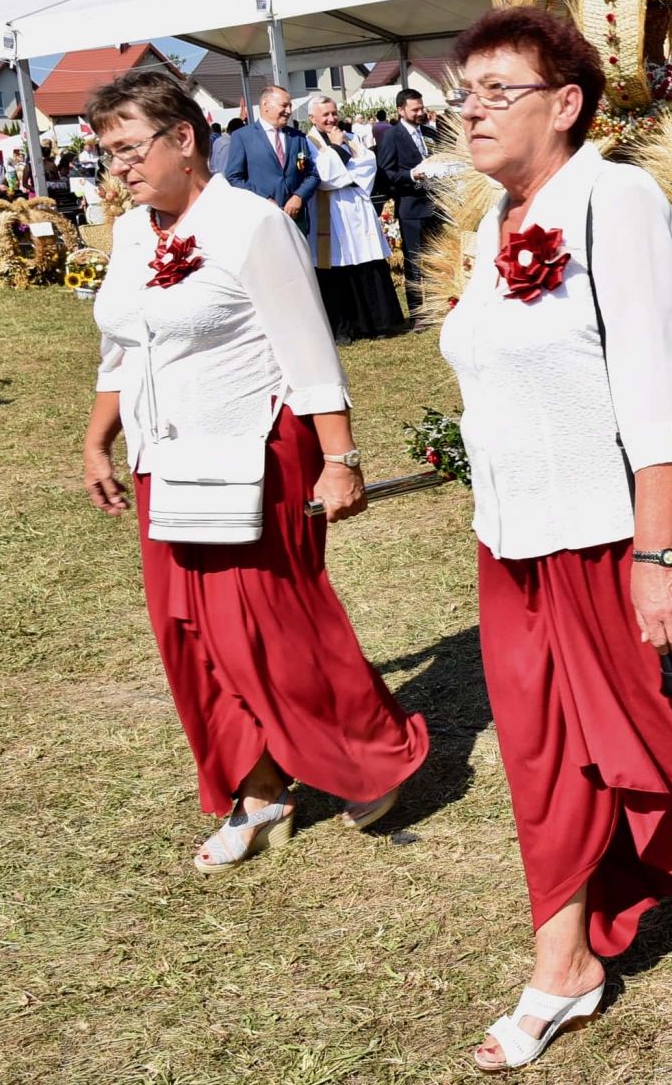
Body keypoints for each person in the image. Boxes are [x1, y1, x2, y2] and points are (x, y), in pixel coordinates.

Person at [434, 7, 672, 1072]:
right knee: (541, 747)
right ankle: (566, 965)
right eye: (465, 90)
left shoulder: (616, 198)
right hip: (513, 538)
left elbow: (651, 387)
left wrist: (654, 554)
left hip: (615, 525)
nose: (472, 108)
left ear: (565, 103)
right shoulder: (491, 222)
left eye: (498, 90)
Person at [79, 70, 426, 872]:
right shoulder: (133, 233)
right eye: (110, 152)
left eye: (131, 149)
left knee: (272, 627)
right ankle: (260, 788)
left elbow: (307, 350)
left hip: (255, 453)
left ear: (183, 138)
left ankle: (375, 753)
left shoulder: (251, 223)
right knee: (189, 637)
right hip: (162, 458)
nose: (120, 167)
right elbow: (123, 347)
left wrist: (339, 459)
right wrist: (99, 440)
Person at [304, 96, 405, 341]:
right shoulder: (309, 142)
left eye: (334, 112)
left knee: (366, 263)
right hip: (330, 212)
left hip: (357, 206)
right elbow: (324, 177)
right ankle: (346, 328)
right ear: (312, 118)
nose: (331, 118)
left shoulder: (351, 137)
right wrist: (339, 152)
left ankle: (379, 324)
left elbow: (368, 165)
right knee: (339, 267)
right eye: (325, 114)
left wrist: (342, 167)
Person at [376, 88, 441, 322]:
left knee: (436, 257)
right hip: (411, 207)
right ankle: (417, 313)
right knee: (414, 260)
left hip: (435, 204)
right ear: (401, 110)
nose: (420, 113)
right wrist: (411, 176)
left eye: (421, 108)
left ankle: (438, 304)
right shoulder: (392, 136)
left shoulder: (428, 132)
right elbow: (386, 173)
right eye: (415, 109)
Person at [221, 85, 319, 231]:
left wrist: (298, 196)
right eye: (284, 105)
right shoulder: (243, 137)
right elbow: (234, 178)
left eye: (290, 106)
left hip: (295, 220)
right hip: (261, 220)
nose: (289, 111)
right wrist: (263, 199)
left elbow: (312, 174)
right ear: (265, 105)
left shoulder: (297, 137)